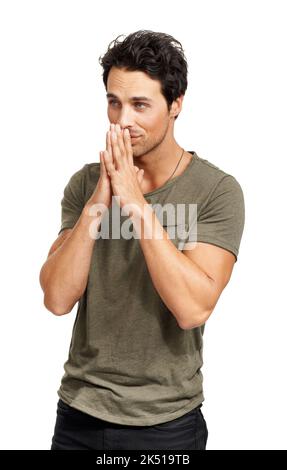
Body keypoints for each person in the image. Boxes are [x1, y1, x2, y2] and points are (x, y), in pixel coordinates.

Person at [39, 30, 245, 450]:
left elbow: (192, 309)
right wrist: (100, 201)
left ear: (176, 105)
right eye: (114, 102)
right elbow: (57, 298)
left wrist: (134, 202)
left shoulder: (217, 191)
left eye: (140, 105)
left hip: (166, 423)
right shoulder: (85, 184)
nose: (122, 120)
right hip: (78, 413)